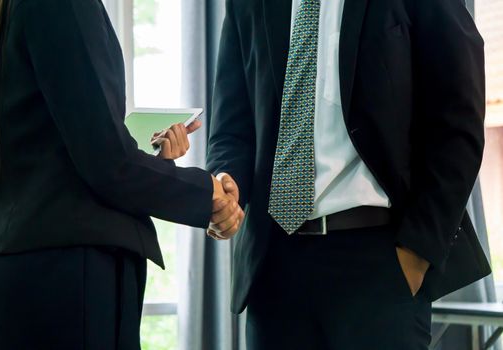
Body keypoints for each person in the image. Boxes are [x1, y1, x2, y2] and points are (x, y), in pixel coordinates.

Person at [207, 0, 491, 349]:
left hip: (380, 261)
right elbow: (230, 128)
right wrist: (225, 181)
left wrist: (417, 253)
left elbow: (458, 120)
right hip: (274, 265)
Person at [0, 0, 244, 349]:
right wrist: (205, 191)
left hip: (9, 270)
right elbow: (107, 162)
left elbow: (54, 147)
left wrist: (157, 163)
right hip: (70, 277)